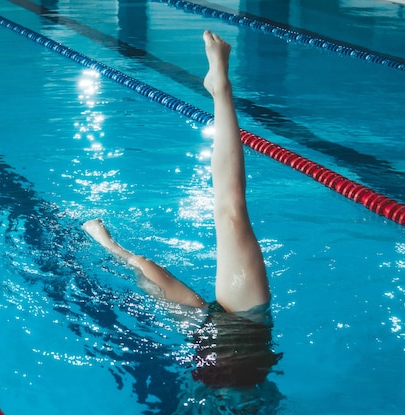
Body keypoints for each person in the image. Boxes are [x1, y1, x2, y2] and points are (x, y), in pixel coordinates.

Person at [83, 30, 280, 388]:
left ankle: (110, 246)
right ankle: (221, 90)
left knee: (143, 263)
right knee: (232, 210)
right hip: (249, 322)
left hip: (205, 329)